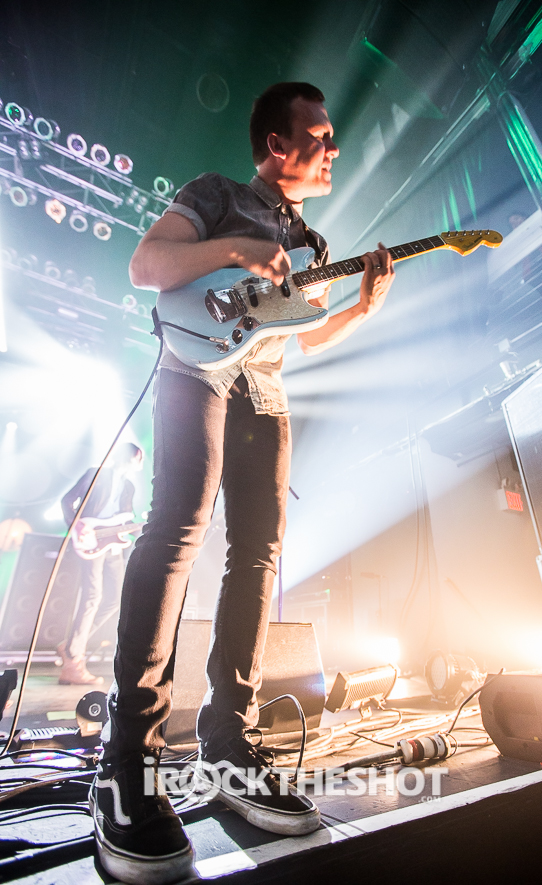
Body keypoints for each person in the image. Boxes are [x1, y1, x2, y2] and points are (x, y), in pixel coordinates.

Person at [90, 82, 395, 884]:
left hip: (264, 387)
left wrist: (360, 310)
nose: (333, 148)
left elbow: (301, 335)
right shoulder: (217, 194)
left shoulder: (315, 242)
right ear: (276, 145)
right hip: (195, 368)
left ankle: (229, 739)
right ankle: (128, 756)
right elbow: (147, 264)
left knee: (258, 552)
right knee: (178, 528)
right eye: (319, 135)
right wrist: (233, 249)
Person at [59, 442, 143, 685]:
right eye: (138, 458)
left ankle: (72, 645)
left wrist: (142, 529)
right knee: (92, 596)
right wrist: (76, 525)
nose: (139, 463)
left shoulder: (128, 486)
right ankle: (73, 661)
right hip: (90, 540)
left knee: (115, 599)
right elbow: (67, 501)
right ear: (130, 458)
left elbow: (125, 520)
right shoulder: (95, 474)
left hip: (112, 545)